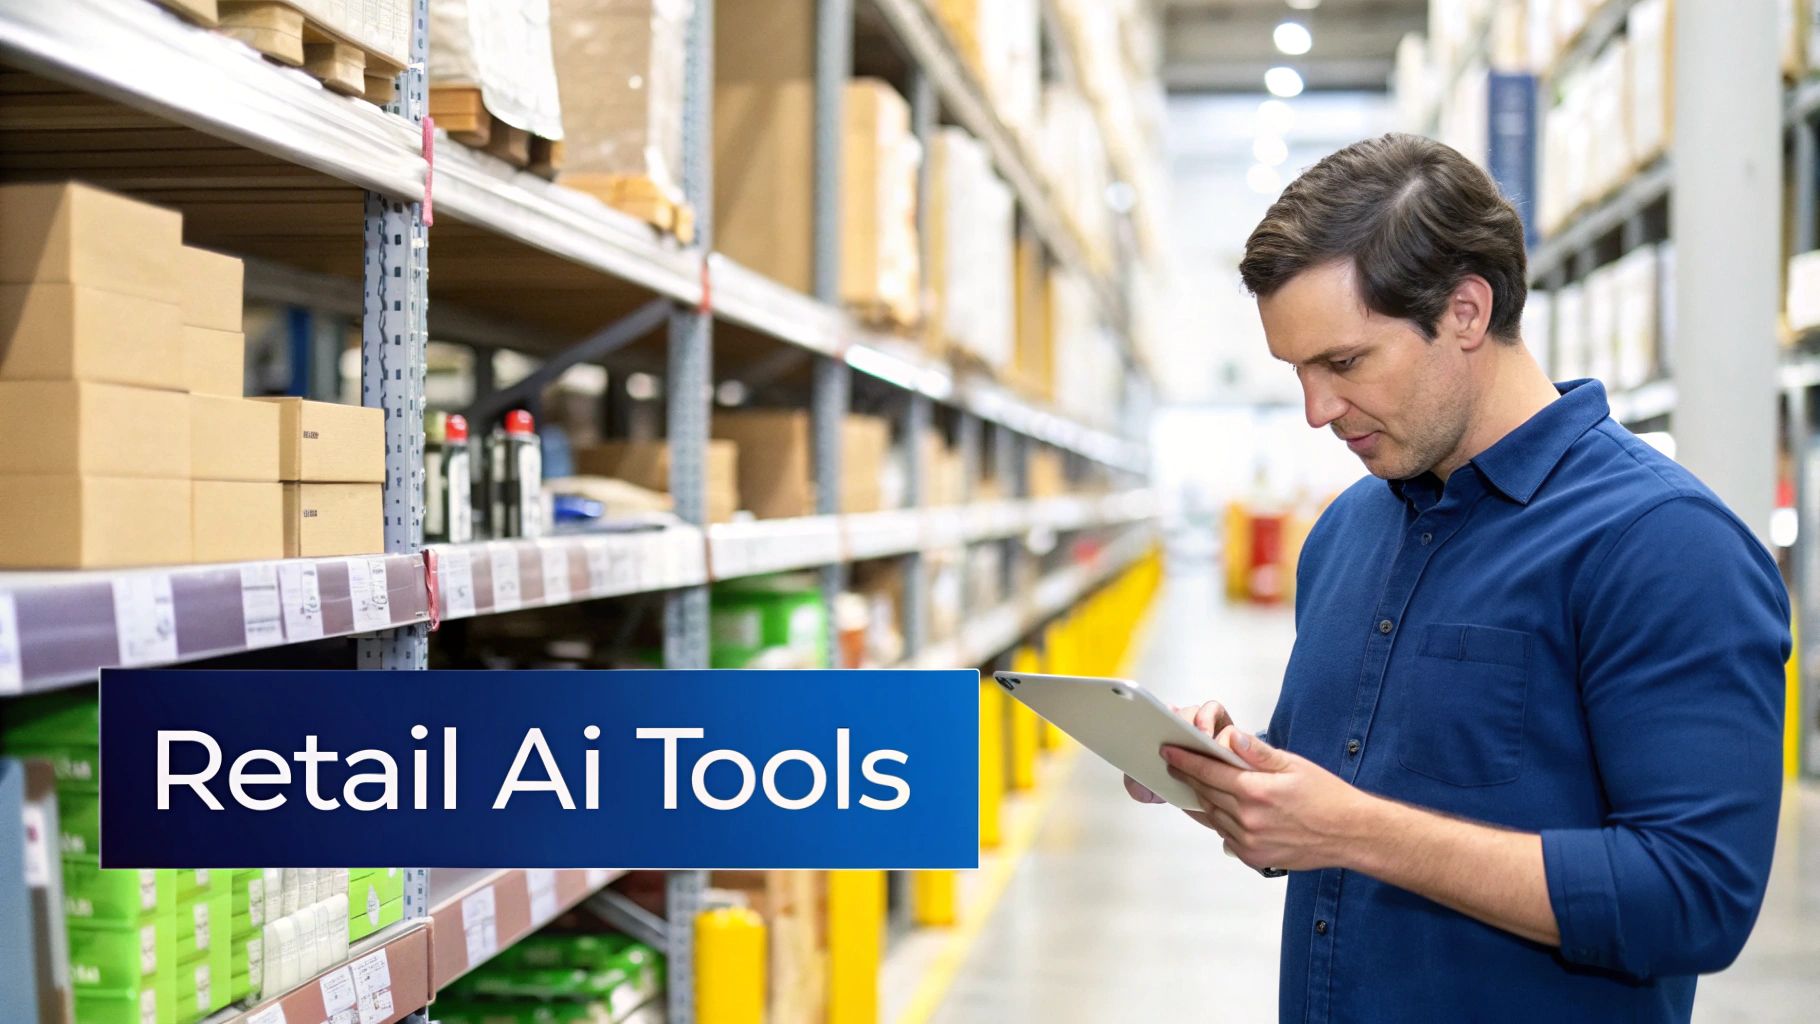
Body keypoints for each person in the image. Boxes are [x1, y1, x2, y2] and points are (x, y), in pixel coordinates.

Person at [1127, 133, 1789, 1022]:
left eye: (1344, 363)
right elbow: (1326, 802)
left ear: (1467, 312)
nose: (1318, 411)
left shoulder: (1661, 545)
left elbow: (1694, 896)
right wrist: (1231, 775)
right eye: (1299, 373)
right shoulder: (1349, 531)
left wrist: (1355, 830)